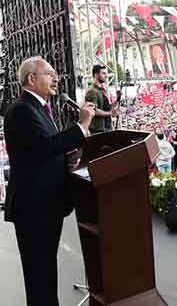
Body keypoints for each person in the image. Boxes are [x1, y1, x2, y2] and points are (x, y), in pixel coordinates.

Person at [4, 56, 95, 306]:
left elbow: (41, 152)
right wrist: (82, 125)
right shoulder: (22, 110)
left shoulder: (39, 108)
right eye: (49, 74)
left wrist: (68, 159)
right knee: (39, 274)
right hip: (33, 207)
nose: (55, 78)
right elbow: (45, 147)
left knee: (45, 271)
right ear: (32, 79)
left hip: (44, 205)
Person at [84, 65, 119, 134]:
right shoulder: (92, 91)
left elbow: (107, 108)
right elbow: (94, 110)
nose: (106, 76)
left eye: (106, 73)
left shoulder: (102, 90)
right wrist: (110, 113)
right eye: (103, 73)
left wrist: (117, 99)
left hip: (106, 127)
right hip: (98, 129)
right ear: (96, 75)